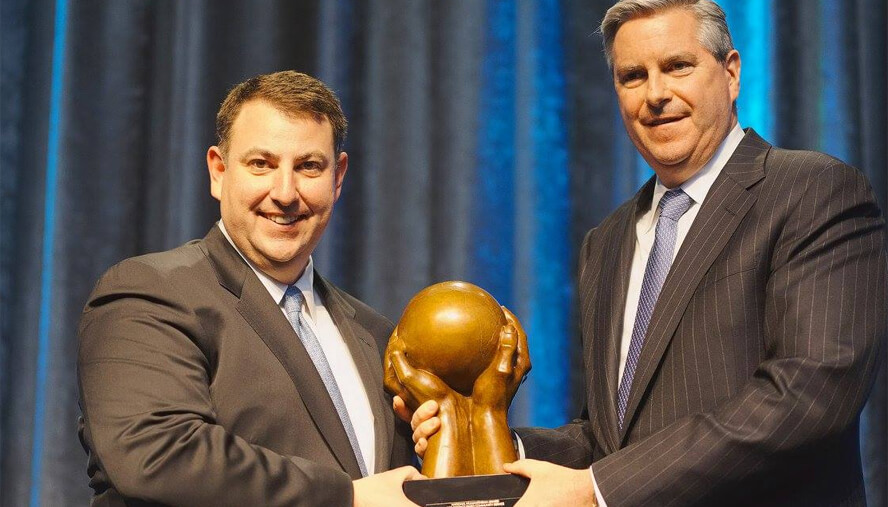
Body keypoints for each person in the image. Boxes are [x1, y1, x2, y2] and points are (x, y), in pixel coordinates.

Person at [403, 1, 887, 505]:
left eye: (678, 66)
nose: (656, 94)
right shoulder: (607, 241)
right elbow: (610, 438)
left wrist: (597, 490)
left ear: (731, 72)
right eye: (633, 76)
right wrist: (490, 435)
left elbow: (808, 393)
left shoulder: (811, 191)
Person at [77, 71, 422, 506]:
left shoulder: (375, 334)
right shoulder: (149, 293)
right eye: (261, 164)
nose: (284, 193)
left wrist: (434, 441)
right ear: (219, 171)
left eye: (308, 166)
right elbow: (158, 452)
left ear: (338, 178)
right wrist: (343, 498)